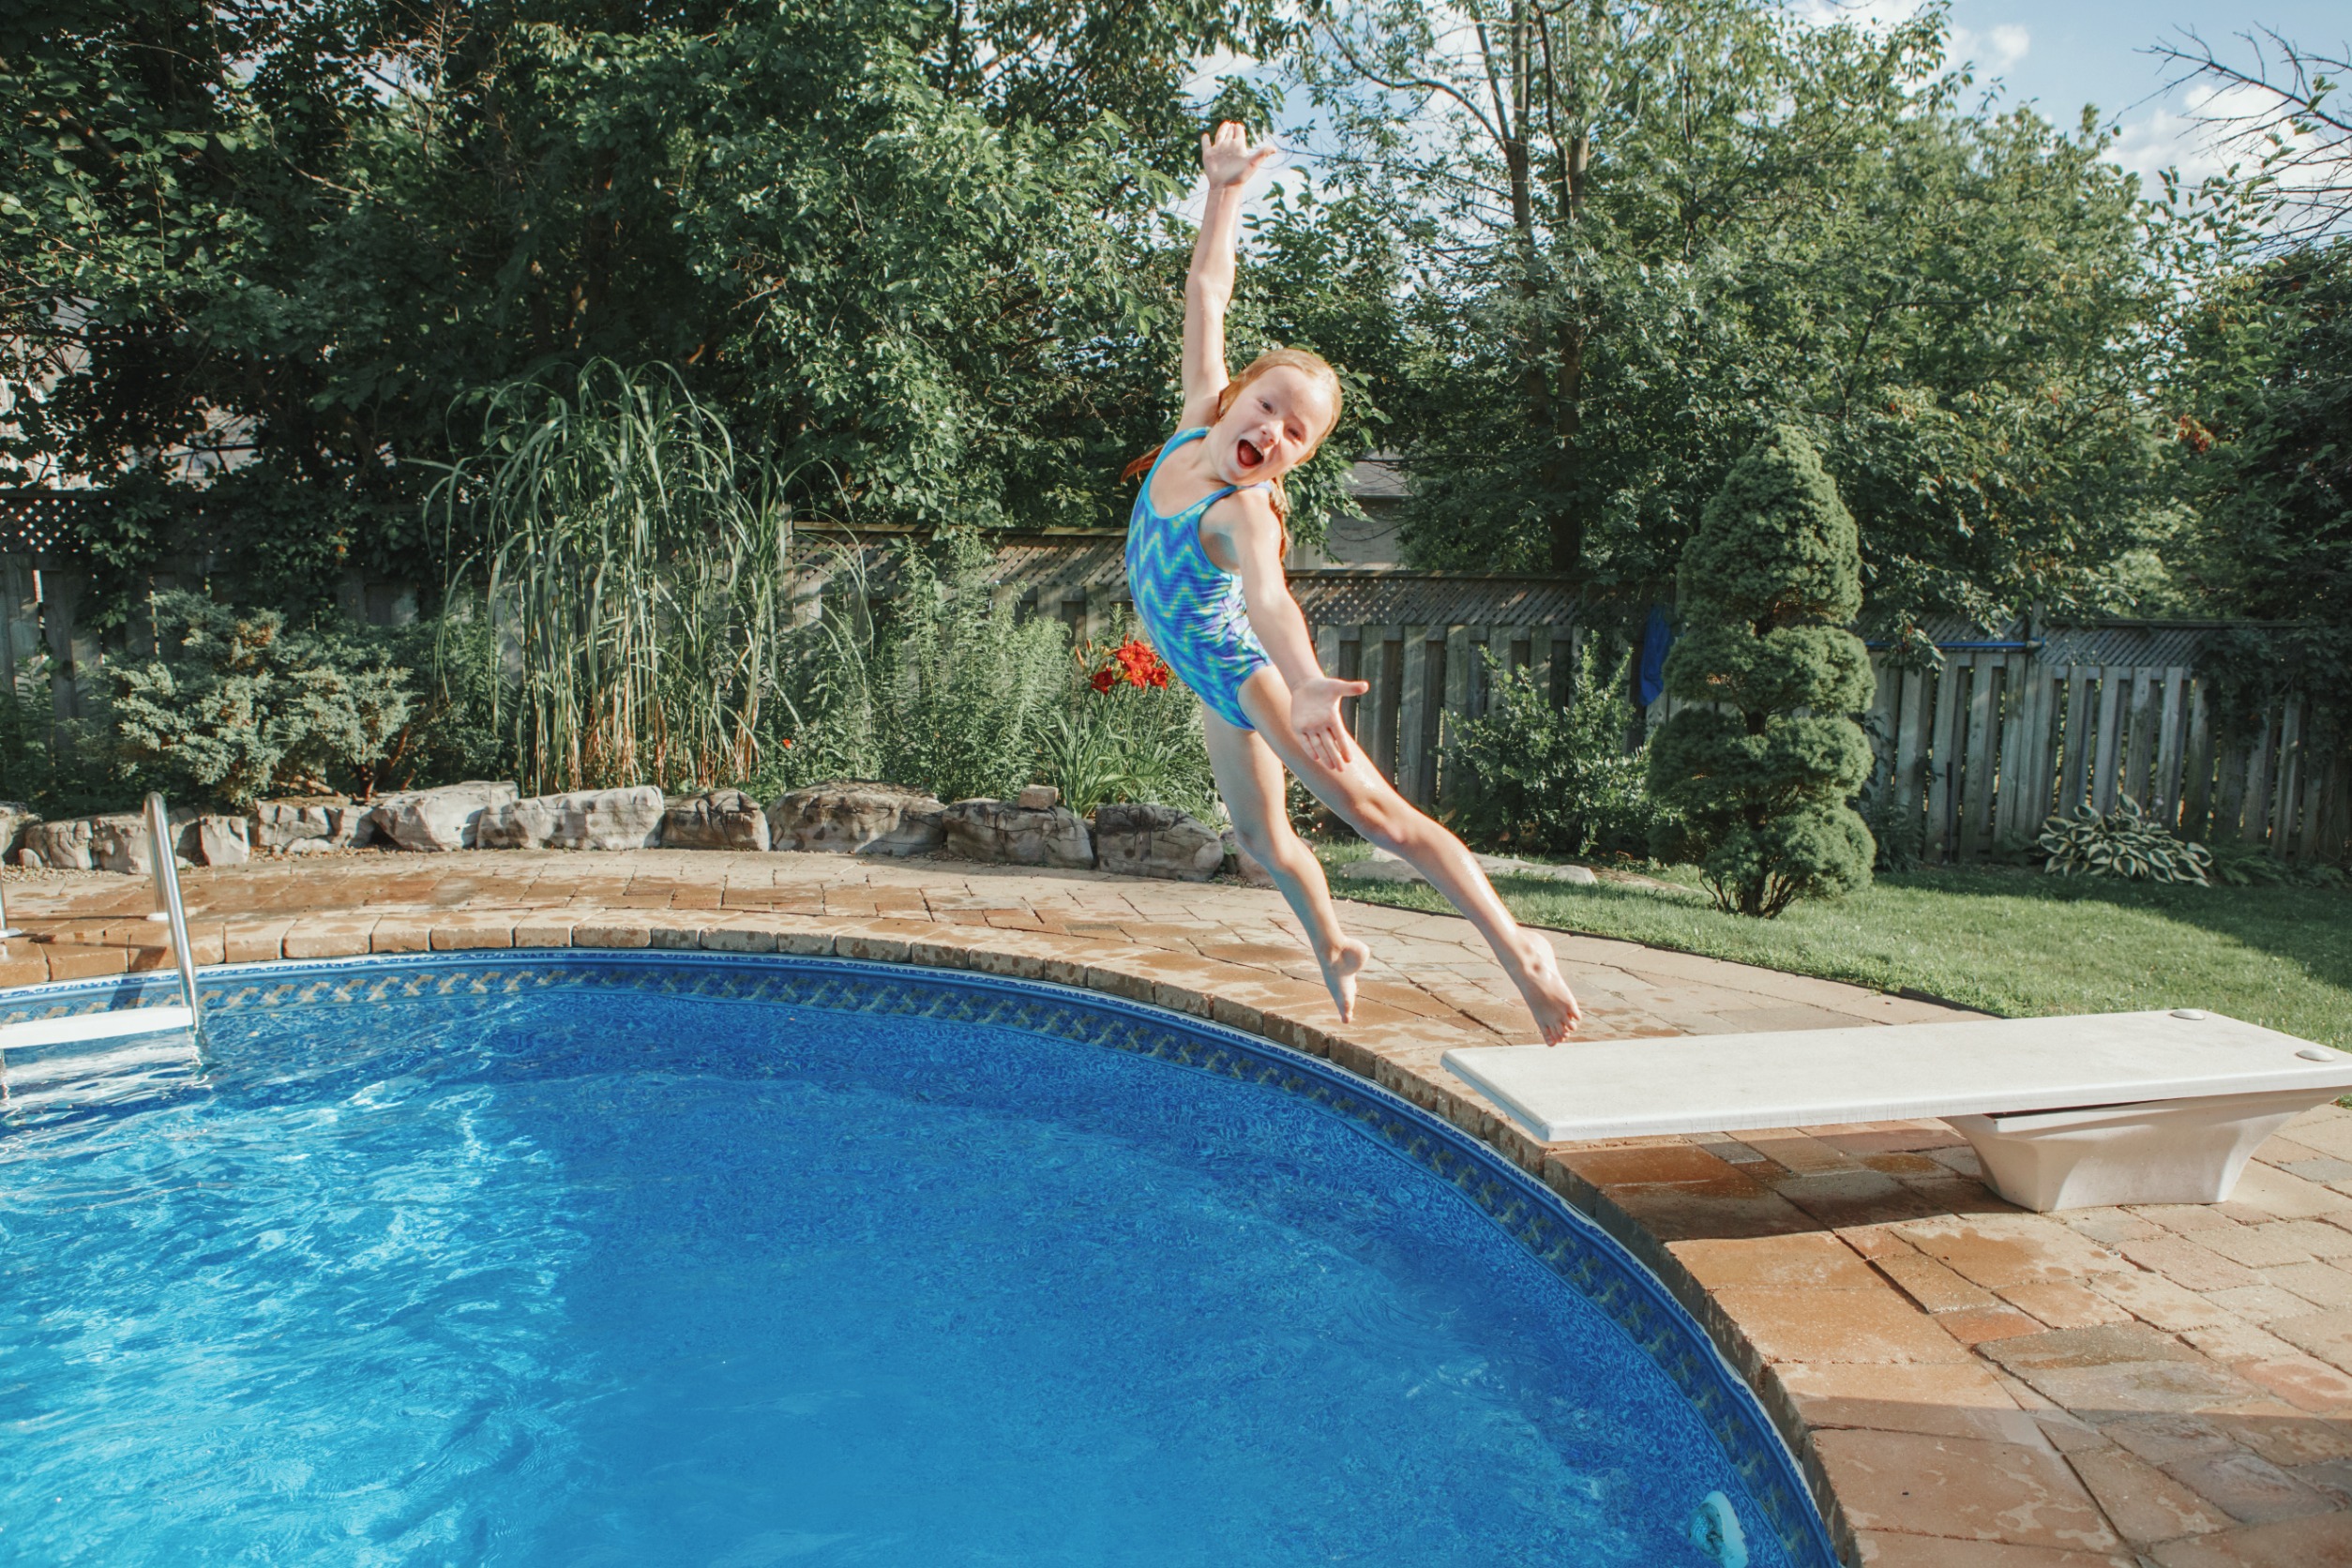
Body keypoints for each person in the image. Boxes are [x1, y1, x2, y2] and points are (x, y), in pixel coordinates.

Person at [1123, 122, 1583, 1044]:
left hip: (1254, 681)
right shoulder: (1191, 423)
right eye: (1270, 407)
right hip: (1216, 685)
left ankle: (1519, 947)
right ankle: (1334, 944)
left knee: (1384, 819)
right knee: (1261, 844)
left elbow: (1268, 600)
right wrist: (1225, 191)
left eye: (1297, 436)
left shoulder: (1243, 511)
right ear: (1239, 392)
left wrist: (1302, 684)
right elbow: (1208, 291)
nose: (1274, 434)